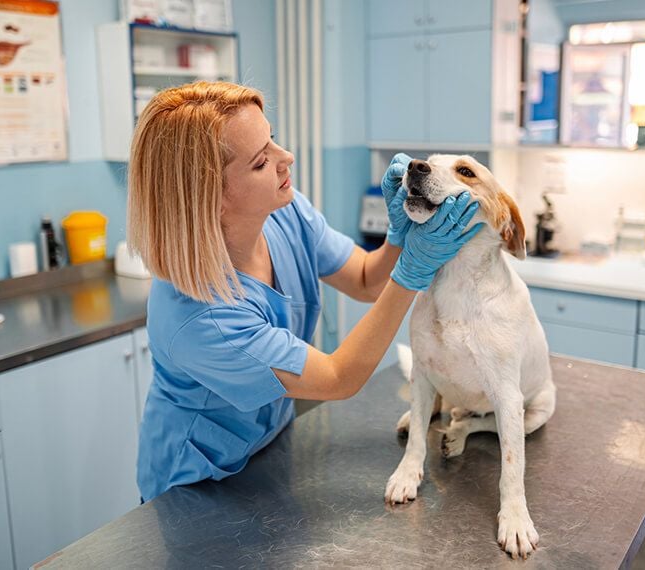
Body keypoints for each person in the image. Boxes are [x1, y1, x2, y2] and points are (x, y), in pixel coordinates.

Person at [128, 82, 483, 501]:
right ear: (211, 198)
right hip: (196, 484)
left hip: (270, 449)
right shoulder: (202, 319)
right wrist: (412, 273)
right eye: (262, 162)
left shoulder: (284, 212)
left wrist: (400, 235)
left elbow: (367, 280)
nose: (286, 159)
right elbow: (338, 378)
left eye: (273, 140)